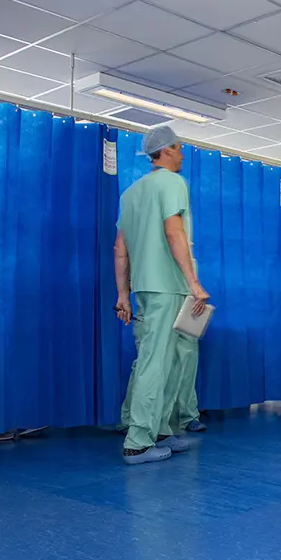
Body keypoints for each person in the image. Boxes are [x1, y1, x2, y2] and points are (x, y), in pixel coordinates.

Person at [114, 125, 209, 465]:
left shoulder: (131, 194)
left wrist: (122, 294)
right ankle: (138, 441)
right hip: (169, 286)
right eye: (179, 148)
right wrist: (194, 282)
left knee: (169, 358)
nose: (183, 154)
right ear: (166, 150)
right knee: (157, 362)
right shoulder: (173, 183)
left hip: (144, 287)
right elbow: (174, 231)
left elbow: (120, 248)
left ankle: (161, 430)